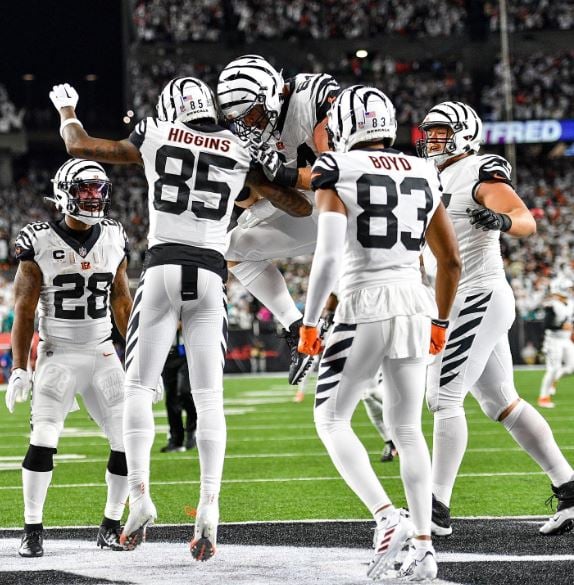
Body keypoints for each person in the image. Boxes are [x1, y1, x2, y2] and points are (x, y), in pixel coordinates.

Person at [50, 77, 309, 559]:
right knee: (210, 399)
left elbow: (79, 146)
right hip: (210, 275)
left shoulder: (155, 132)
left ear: (171, 109)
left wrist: (68, 109)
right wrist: (272, 180)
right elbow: (295, 203)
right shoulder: (238, 146)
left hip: (163, 267)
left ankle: (141, 497)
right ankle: (209, 507)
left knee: (138, 389)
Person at [298, 85, 461, 580]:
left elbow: (326, 257)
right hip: (414, 301)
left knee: (330, 419)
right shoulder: (425, 170)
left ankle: (386, 516)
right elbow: (449, 260)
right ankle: (425, 547)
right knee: (409, 429)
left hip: (363, 301)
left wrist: (308, 323)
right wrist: (440, 321)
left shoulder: (336, 168)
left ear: (347, 125)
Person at [417, 100, 574, 537]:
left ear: (465, 132)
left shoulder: (478, 168)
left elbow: (526, 220)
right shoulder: (429, 173)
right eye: (428, 131)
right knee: (500, 403)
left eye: (441, 130)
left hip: (477, 292)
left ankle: (435, 508)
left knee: (443, 397)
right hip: (461, 294)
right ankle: (570, 488)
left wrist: (500, 218)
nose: (432, 138)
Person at [5, 158, 133, 557]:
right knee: (43, 439)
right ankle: (32, 528)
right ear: (64, 193)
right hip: (58, 353)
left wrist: (139, 361)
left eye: (99, 189)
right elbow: (24, 310)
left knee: (127, 441)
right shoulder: (38, 240)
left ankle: (111, 524)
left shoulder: (114, 235)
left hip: (102, 352)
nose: (94, 197)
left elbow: (122, 300)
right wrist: (20, 370)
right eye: (85, 189)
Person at [217, 54, 340, 385]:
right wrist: (243, 183)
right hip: (309, 206)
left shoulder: (313, 96)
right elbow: (257, 198)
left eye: (253, 114)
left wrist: (282, 172)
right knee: (232, 247)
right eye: (239, 119)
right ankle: (295, 326)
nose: (249, 125)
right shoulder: (249, 133)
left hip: (349, 208)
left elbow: (340, 170)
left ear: (271, 92)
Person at [538, 277, 574, 408]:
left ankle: (554, 381)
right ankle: (543, 397)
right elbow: (546, 325)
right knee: (553, 369)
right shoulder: (552, 304)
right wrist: (560, 327)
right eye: (568, 288)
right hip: (553, 340)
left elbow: (569, 320)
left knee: (571, 367)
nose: (570, 291)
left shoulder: (570, 303)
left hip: (566, 339)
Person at [160, 329, 197, 452]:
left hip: (186, 352)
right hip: (167, 354)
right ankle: (176, 440)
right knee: (171, 399)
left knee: (185, 391)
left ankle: (193, 429)